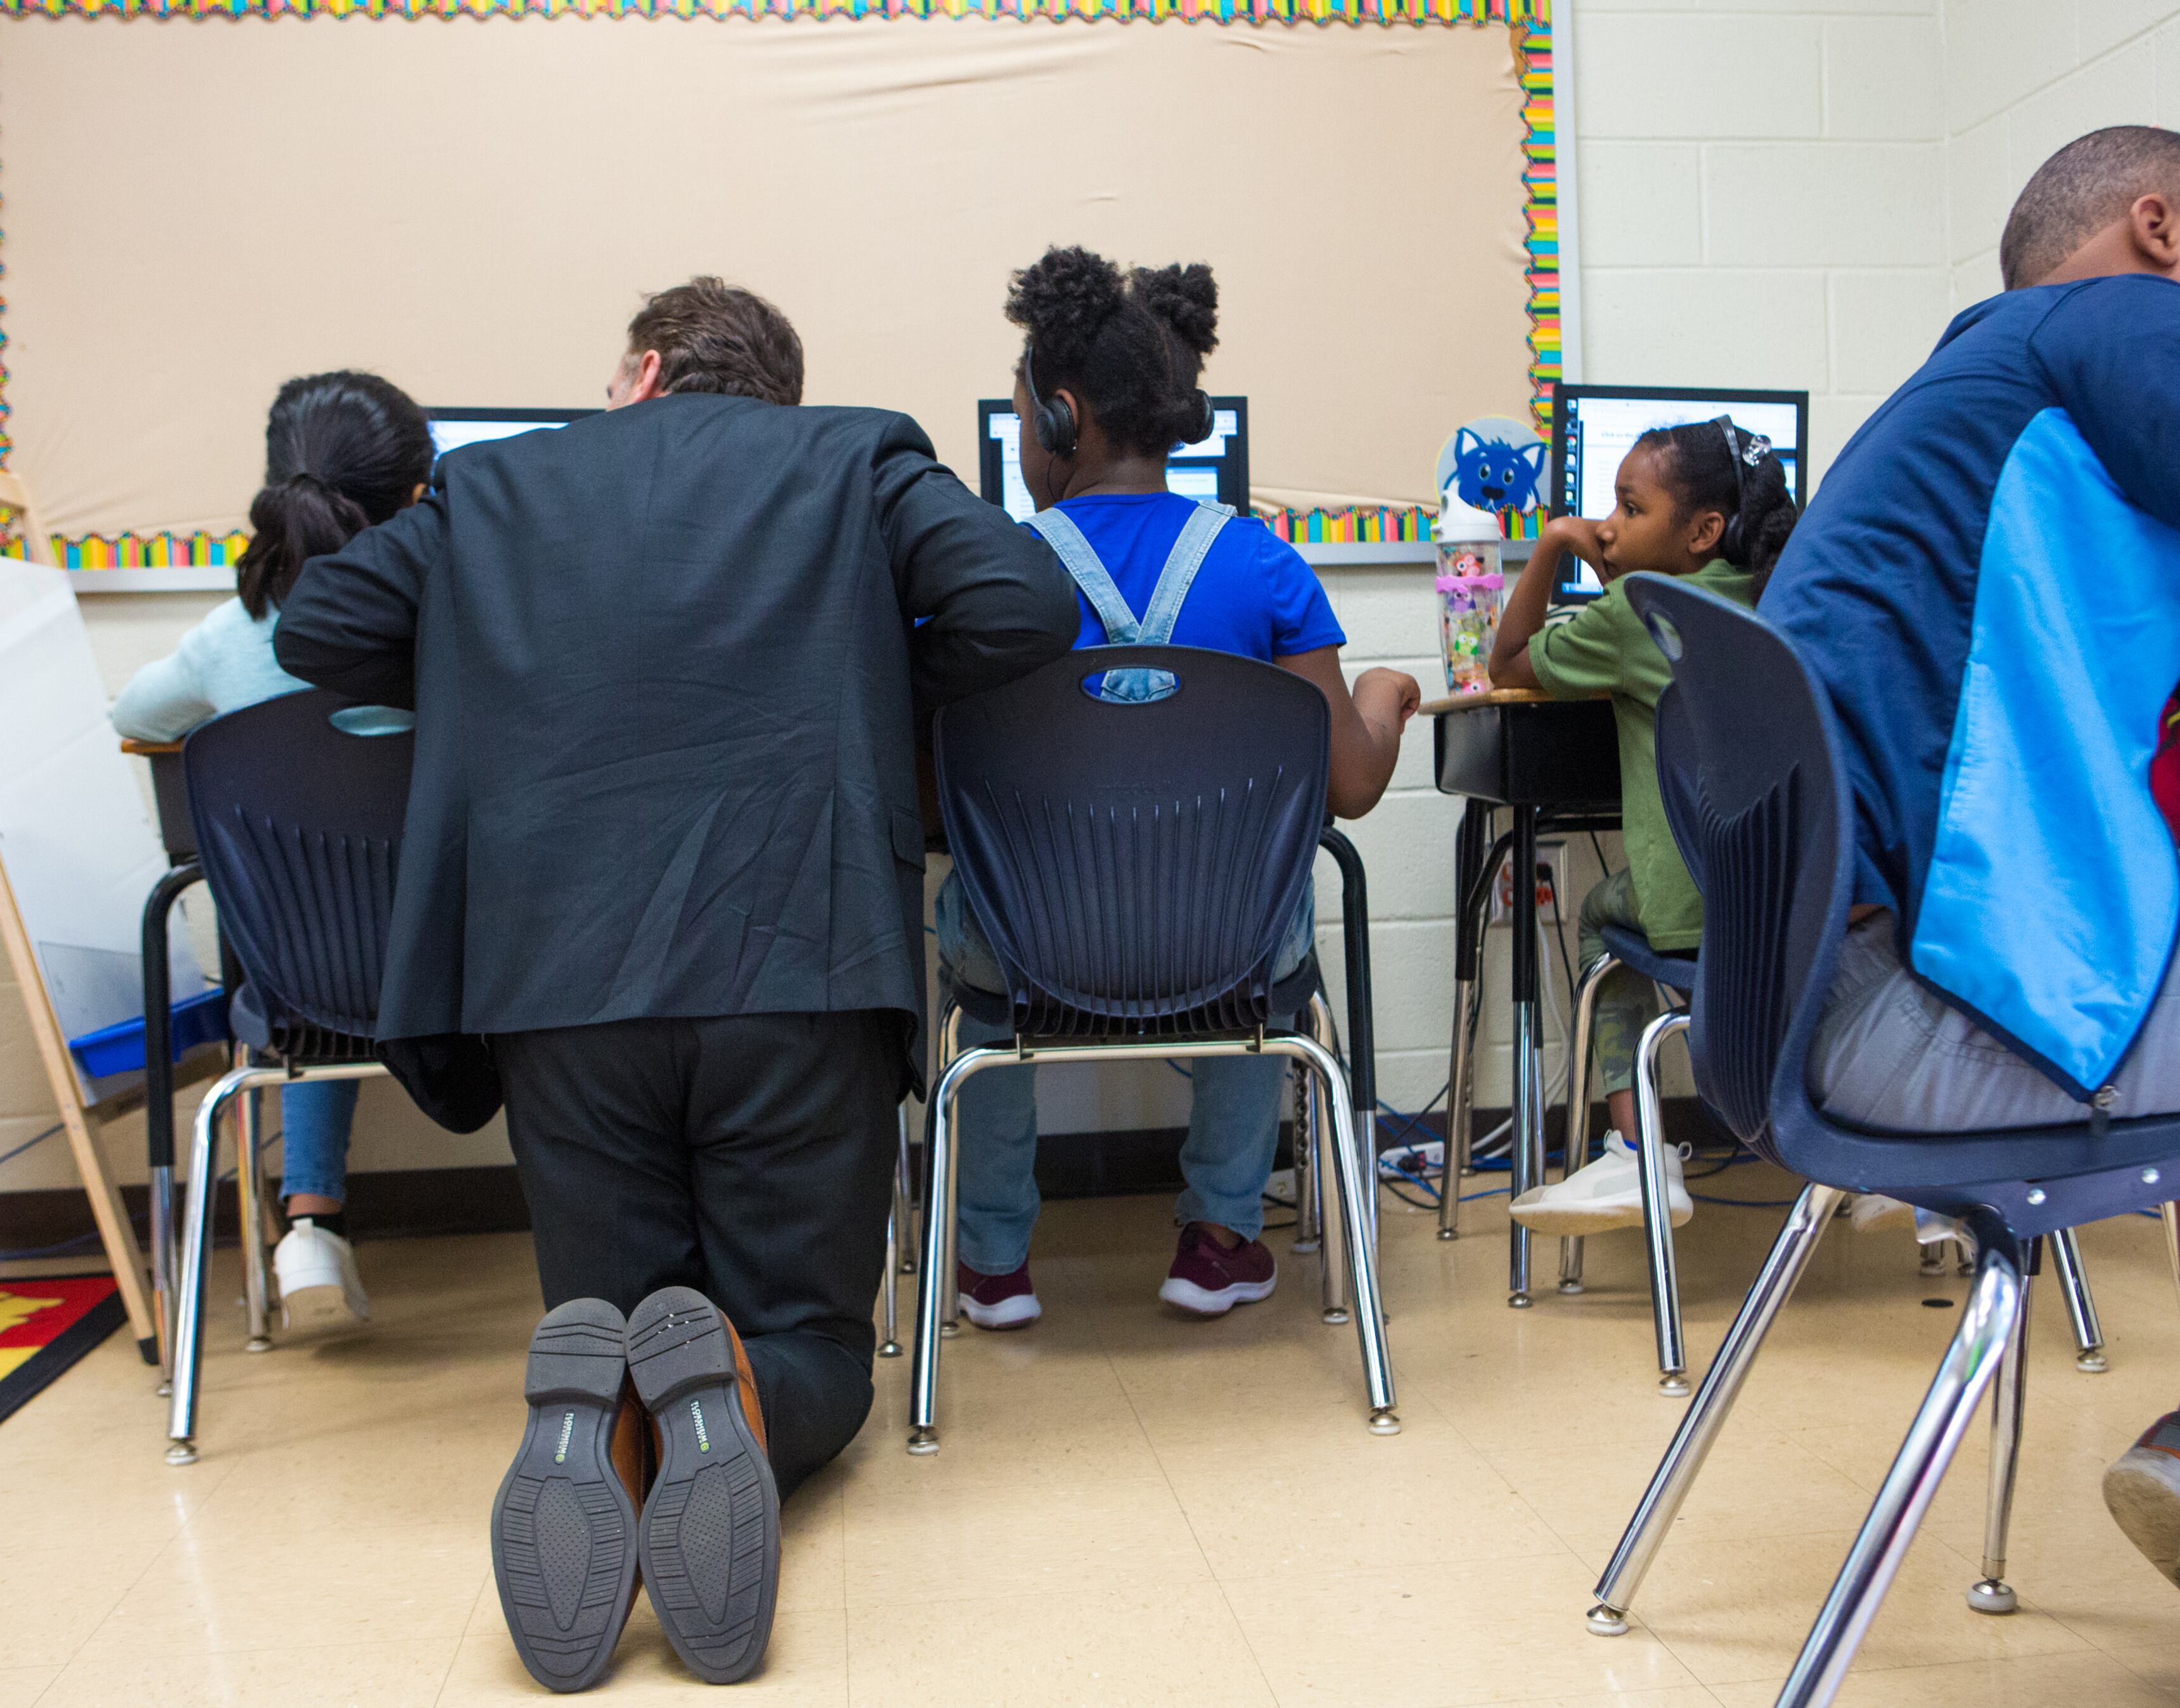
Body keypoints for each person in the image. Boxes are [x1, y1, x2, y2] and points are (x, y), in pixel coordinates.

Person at [272, 278, 1075, 1688]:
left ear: (642, 372)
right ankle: (736, 1403)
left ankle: (612, 1421)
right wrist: (875, 671)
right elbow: (1020, 604)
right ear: (772, 392)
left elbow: (316, 628)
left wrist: (491, 654)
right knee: (814, 1333)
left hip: (557, 984)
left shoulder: (494, 490)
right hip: (801, 960)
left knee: (605, 1317)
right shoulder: (856, 456)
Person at [1757, 125, 2180, 1632]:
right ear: (2158, 229)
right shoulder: (2116, 319)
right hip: (1934, 1024)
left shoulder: (1974, 391)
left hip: (1822, 1016)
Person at [940, 246, 1422, 1331]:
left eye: (1023, 419)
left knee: (973, 963)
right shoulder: (1264, 565)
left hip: (1030, 964)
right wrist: (1389, 698)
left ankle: (991, 1267)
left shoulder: (990, 569)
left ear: (1062, 419)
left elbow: (940, 800)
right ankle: (1217, 1240)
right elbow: (1348, 786)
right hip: (1227, 965)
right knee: (1274, 916)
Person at [112, 368, 430, 1332]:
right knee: (391, 901)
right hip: (470, 978)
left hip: (304, 993)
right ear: (418, 497)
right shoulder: (459, 614)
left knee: (310, 922)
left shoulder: (232, 633)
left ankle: (309, 1221)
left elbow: (132, 715)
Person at [1485, 418, 1795, 1234]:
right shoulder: (1795, 596)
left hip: (1694, 913)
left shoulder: (1635, 611)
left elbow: (1508, 663)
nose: (1609, 527)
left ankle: (1637, 1152)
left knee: (1595, 913)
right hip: (1807, 902)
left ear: (1703, 531)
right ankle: (1874, 1168)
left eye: (1629, 506)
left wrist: (1553, 542)